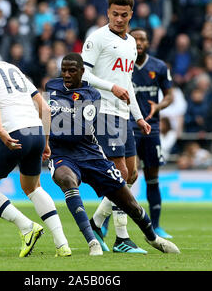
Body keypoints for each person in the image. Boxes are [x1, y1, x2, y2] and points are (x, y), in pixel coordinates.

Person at [46, 53, 180, 256]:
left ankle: (153, 237)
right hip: (63, 155)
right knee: (67, 179)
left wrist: (55, 125)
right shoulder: (51, 87)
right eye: (63, 70)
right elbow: (44, 112)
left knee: (129, 203)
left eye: (71, 70)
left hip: (91, 155)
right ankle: (93, 242)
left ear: (83, 72)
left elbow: (79, 131)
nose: (66, 74)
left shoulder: (91, 95)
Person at [0, 38, 70, 258]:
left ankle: (27, 227)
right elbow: (45, 106)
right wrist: (45, 141)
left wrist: (0, 129)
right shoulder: (11, 67)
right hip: (35, 131)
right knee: (32, 187)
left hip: (13, 132)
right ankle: (62, 244)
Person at [80, 0, 151, 254]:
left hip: (123, 114)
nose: (119, 19)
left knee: (132, 174)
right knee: (119, 174)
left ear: (131, 14)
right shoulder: (97, 38)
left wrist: (139, 116)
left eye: (124, 15)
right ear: (107, 13)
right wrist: (111, 87)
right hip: (102, 111)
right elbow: (84, 75)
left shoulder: (132, 43)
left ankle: (97, 223)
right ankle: (122, 237)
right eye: (115, 14)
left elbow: (126, 84)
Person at [128, 27, 174, 238]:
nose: (138, 42)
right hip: (127, 126)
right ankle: (106, 226)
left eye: (142, 39)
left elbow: (169, 95)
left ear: (148, 43)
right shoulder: (122, 66)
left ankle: (156, 225)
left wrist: (159, 106)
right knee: (121, 176)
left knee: (152, 177)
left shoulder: (159, 66)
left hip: (152, 127)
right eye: (135, 38)